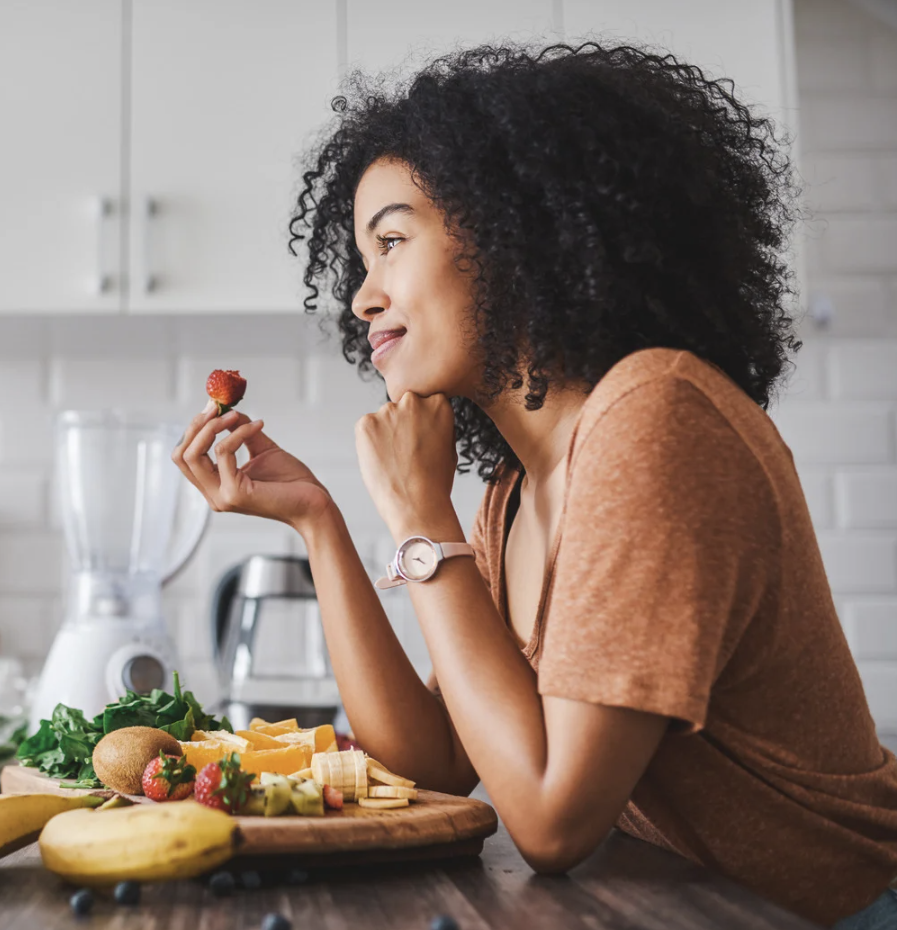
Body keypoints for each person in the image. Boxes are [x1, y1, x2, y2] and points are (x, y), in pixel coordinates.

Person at [172, 43, 897, 928]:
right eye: (362, 260)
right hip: (682, 901)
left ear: (517, 235)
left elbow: (551, 820)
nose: (363, 297)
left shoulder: (654, 419)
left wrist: (420, 516)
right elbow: (434, 764)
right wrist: (320, 524)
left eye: (392, 241)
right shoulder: (512, 494)